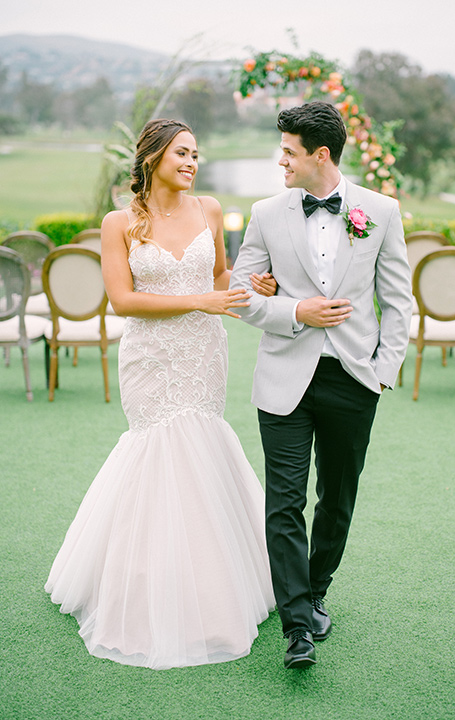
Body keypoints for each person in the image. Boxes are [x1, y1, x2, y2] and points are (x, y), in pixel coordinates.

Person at [45, 118, 277, 670]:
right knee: (158, 448)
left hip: (203, 352)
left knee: (201, 445)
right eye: (182, 153)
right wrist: (201, 299)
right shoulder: (119, 222)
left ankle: (218, 585)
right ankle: (143, 586)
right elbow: (122, 300)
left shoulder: (211, 211)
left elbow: (219, 279)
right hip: (151, 356)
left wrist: (248, 288)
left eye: (196, 153)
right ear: (152, 157)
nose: (192, 162)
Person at [230, 101, 412, 669]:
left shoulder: (381, 211)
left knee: (336, 498)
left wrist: (382, 372)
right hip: (284, 375)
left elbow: (399, 301)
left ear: (320, 154)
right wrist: (294, 311)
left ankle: (317, 587)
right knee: (283, 502)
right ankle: (297, 624)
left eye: (288, 152)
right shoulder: (264, 212)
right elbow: (244, 294)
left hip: (354, 379)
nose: (280, 160)